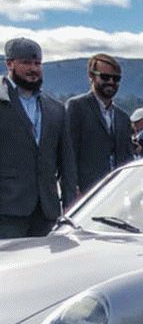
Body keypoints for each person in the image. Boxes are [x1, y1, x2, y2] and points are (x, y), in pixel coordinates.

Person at [0, 37, 76, 238]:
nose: (33, 69)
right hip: (7, 213)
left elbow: (66, 164)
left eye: (37, 63)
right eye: (26, 63)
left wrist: (71, 207)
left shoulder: (55, 108)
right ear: (10, 64)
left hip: (47, 213)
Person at [65, 53, 132, 193]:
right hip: (86, 192)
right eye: (105, 77)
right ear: (91, 76)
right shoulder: (77, 107)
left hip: (117, 192)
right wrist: (72, 189)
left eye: (116, 78)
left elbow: (127, 158)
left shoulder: (123, 117)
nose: (111, 82)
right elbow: (68, 153)